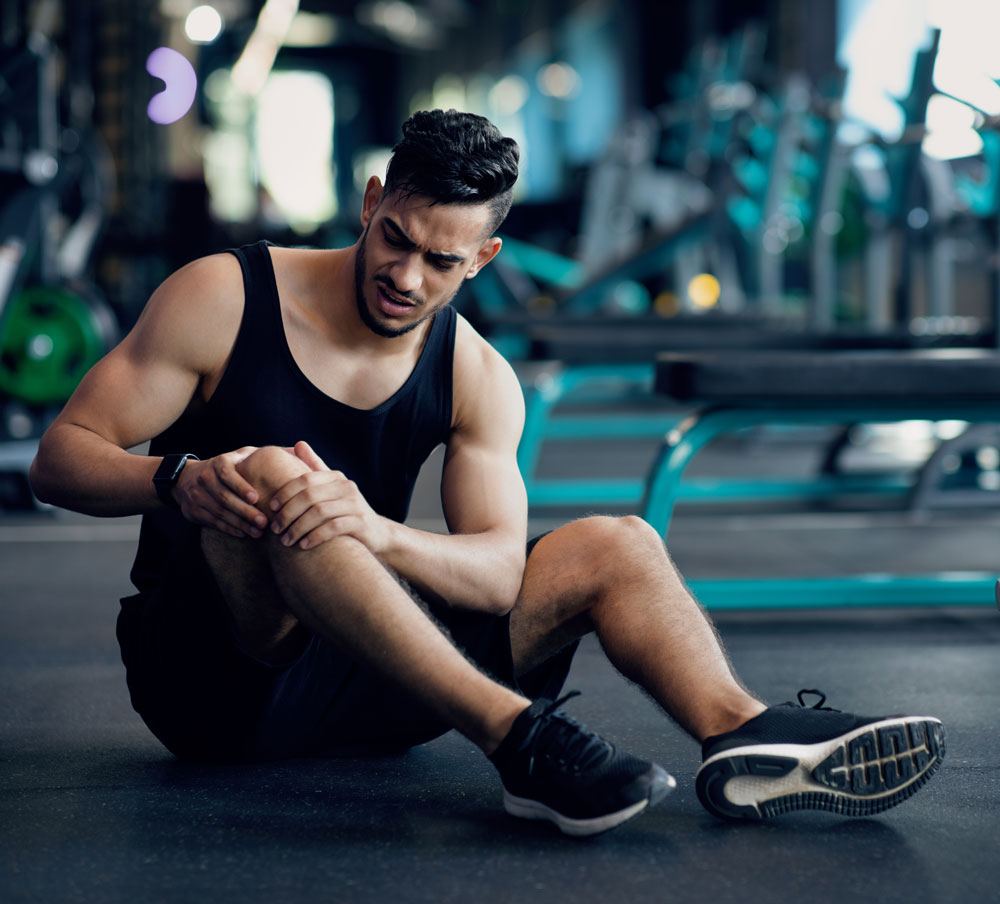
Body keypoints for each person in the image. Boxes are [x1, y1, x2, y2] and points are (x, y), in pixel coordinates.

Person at [29, 109, 945, 837]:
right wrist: (175, 478)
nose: (407, 277)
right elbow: (58, 458)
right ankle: (521, 740)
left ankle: (745, 737)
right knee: (278, 479)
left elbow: (501, 573)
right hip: (221, 686)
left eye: (442, 261)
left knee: (617, 543)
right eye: (395, 239)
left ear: (486, 258)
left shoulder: (476, 373)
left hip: (388, 683)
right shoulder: (224, 296)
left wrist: (377, 528)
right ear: (372, 199)